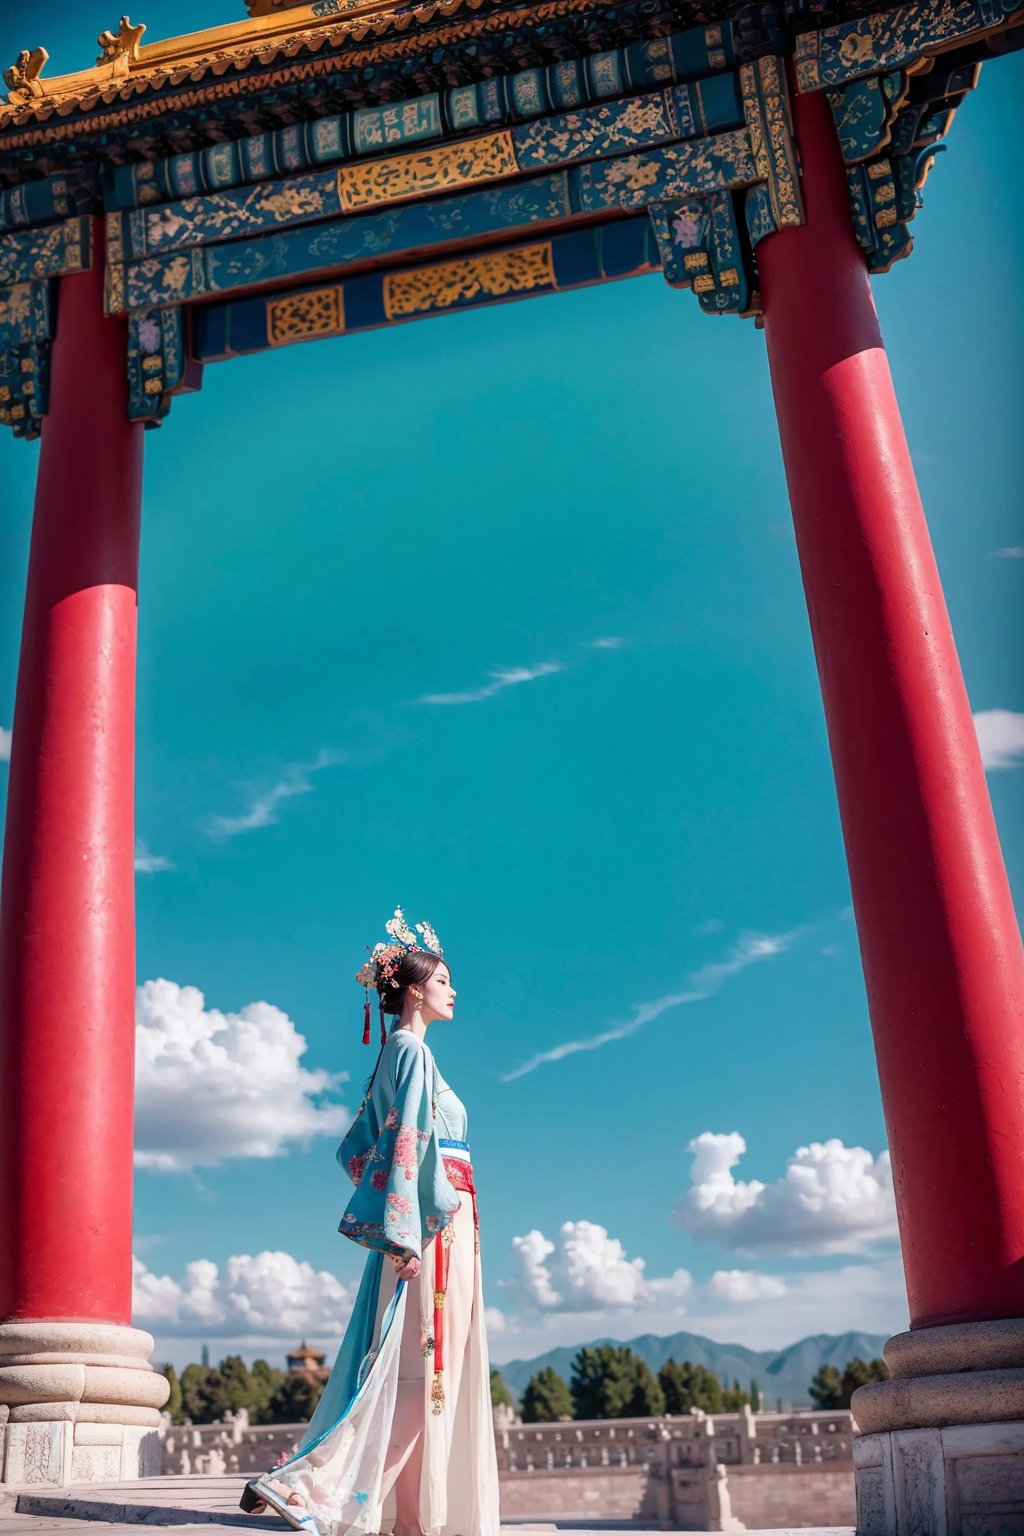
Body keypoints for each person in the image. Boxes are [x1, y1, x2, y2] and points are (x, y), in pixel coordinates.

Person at [240, 908, 500, 1536]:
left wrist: (396, 1213)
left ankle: (404, 1520)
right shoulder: (413, 1055)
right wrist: (409, 1229)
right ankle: (320, 1491)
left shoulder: (393, 1056)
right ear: (413, 989)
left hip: (421, 1220)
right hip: (436, 1226)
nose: (453, 990)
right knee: (429, 1369)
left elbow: (355, 1149)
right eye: (443, 981)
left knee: (416, 1369)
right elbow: (405, 1139)